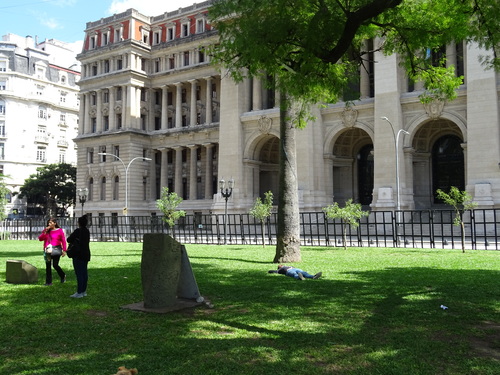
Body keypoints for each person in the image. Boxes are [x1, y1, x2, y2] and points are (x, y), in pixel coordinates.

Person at [67, 215, 91, 298]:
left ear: (79, 223)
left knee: (79, 274)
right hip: (86, 253)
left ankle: (79, 292)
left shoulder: (78, 231)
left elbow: (69, 239)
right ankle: (83, 291)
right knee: (84, 273)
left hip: (78, 254)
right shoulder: (87, 231)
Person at [38, 218, 67, 286]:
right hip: (47, 250)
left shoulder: (59, 231)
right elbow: (40, 239)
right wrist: (45, 231)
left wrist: (64, 250)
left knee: (55, 265)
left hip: (56, 249)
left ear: (55, 223)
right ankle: (48, 282)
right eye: (48, 223)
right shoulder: (47, 231)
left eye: (51, 223)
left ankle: (63, 276)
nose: (49, 224)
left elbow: (63, 241)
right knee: (48, 266)